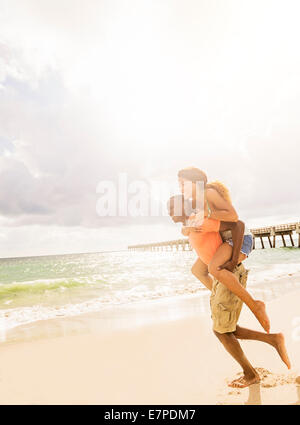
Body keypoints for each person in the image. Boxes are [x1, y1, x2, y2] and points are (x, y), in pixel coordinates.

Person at [167, 194, 291, 388]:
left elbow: (237, 225)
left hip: (228, 273)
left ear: (184, 207)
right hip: (221, 277)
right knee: (227, 329)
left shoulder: (200, 221)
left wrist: (233, 260)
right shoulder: (192, 224)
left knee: (222, 331)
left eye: (172, 208)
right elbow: (202, 246)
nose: (168, 212)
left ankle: (251, 374)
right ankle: (273, 339)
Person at [177, 166, 270, 333]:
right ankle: (219, 291)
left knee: (213, 268)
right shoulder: (194, 204)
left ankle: (255, 305)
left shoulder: (208, 193)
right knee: (197, 270)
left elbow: (234, 218)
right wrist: (185, 229)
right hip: (225, 241)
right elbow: (192, 225)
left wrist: (234, 260)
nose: (180, 188)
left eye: (183, 184)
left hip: (240, 239)